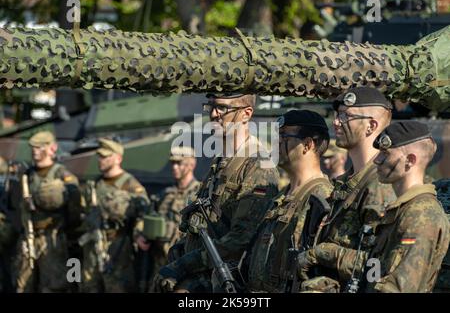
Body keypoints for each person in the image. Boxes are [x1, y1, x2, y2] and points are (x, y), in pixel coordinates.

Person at [153, 93, 280, 293]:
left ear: (246, 114)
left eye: (222, 108)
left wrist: (184, 265)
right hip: (202, 278)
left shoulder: (258, 166)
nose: (213, 114)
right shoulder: (222, 162)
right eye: (210, 107)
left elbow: (242, 239)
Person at [323, 121, 450, 292]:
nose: (377, 160)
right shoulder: (401, 209)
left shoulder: (421, 214)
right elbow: (376, 271)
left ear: (410, 161)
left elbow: (400, 287)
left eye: (386, 154)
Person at [296, 87, 397, 292]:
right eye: (337, 115)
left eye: (346, 116)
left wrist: (324, 253)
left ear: (371, 126)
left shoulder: (380, 184)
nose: (336, 122)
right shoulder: (345, 183)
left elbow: (381, 264)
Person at [244, 110, 333, 292]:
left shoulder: (322, 197)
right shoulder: (282, 197)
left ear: (307, 145)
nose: (276, 142)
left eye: (284, 136)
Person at [13, 131, 81, 292]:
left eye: (40, 147)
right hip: (28, 237)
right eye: (33, 147)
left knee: (54, 285)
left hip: (53, 238)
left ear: (52, 148)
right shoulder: (27, 175)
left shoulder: (61, 175)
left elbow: (75, 208)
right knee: (23, 284)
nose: (35, 151)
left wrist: (69, 233)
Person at [80, 138, 150, 293]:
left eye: (105, 156)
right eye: (99, 156)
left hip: (117, 251)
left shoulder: (130, 185)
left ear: (118, 158)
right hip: (92, 249)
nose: (100, 160)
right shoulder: (94, 185)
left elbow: (144, 213)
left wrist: (138, 233)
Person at [135, 146, 200, 292]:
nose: (175, 167)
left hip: (184, 266)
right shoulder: (164, 195)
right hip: (160, 265)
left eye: (179, 163)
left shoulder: (199, 195)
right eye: (172, 163)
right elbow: (146, 218)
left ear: (191, 164)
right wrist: (139, 234)